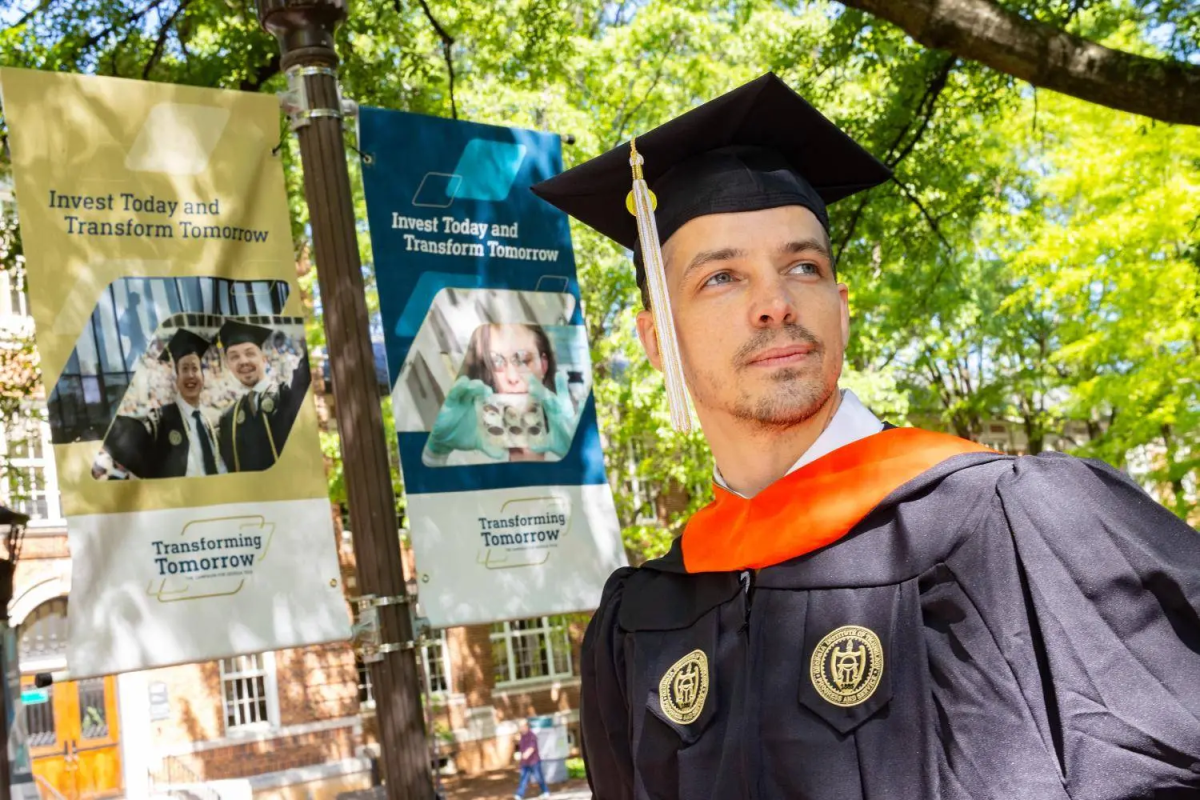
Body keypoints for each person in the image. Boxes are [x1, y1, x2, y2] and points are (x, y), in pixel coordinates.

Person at [531, 73, 1200, 799]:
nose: (775, 303)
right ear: (657, 340)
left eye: (802, 266)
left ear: (841, 309)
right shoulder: (644, 617)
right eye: (722, 278)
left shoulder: (1013, 525)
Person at [425, 323, 575, 463]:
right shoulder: (468, 450)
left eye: (523, 361)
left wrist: (577, 454)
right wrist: (435, 452)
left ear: (543, 365)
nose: (511, 377)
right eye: (496, 362)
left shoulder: (571, 435)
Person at [216, 319, 310, 472]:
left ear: (264, 359)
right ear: (229, 366)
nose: (243, 361)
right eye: (234, 357)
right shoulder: (228, 420)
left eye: (250, 353)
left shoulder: (288, 397)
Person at [143, 328, 225, 478]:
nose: (191, 375)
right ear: (176, 378)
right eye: (184, 369)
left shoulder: (210, 422)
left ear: (203, 377)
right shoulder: (160, 421)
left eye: (195, 368)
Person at [514, 719, 550, 800]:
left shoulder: (531, 735)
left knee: (539, 777)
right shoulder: (522, 736)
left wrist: (526, 754)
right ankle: (519, 795)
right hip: (525, 763)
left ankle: (545, 791)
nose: (521, 728)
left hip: (534, 761)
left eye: (522, 726)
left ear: (526, 726)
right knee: (523, 779)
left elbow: (532, 747)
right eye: (520, 727)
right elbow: (521, 747)